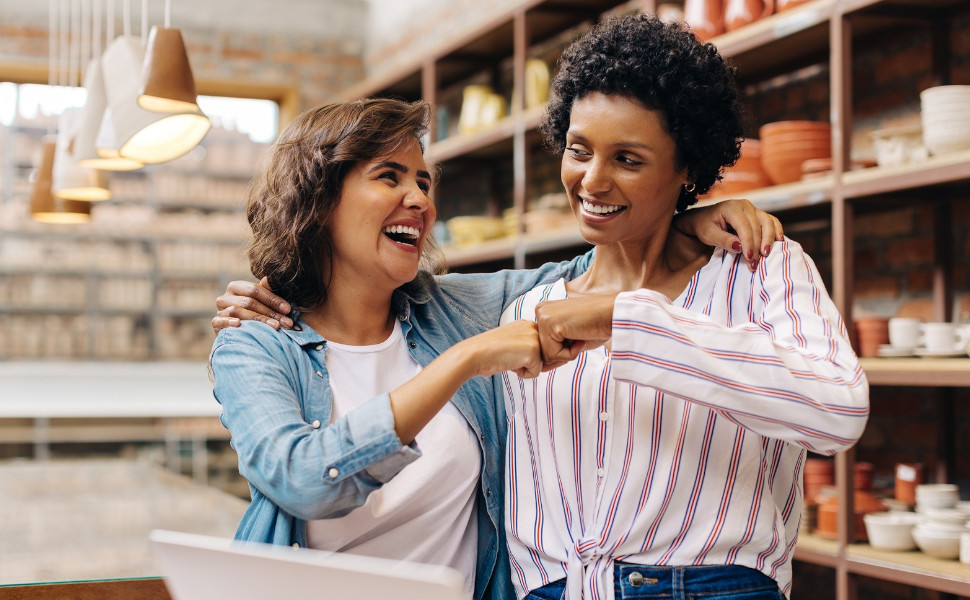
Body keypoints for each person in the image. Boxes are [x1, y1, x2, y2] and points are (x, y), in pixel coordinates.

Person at [208, 98, 783, 600]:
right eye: (389, 176)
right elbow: (305, 480)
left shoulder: (455, 307)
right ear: (318, 199)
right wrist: (465, 360)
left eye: (424, 181)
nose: (419, 199)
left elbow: (595, 268)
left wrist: (685, 221)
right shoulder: (257, 345)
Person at [493, 14, 869, 600]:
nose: (592, 180)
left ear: (687, 168)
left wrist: (627, 321)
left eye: (628, 160)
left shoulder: (760, 266)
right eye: (578, 150)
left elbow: (838, 411)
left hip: (711, 587)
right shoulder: (531, 309)